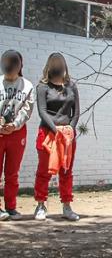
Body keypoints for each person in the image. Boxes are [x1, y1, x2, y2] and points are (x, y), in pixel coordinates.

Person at [33, 52, 80, 221]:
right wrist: (55, 130)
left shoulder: (71, 86)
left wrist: (71, 130)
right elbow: (42, 111)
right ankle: (40, 204)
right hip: (48, 134)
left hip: (67, 135)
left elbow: (76, 112)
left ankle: (67, 206)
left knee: (66, 171)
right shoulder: (42, 87)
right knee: (44, 171)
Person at [0, 50, 35, 221]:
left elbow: (27, 110)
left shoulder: (27, 86)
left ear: (21, 65)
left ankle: (11, 206)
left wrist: (14, 125)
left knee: (12, 173)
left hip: (17, 133)